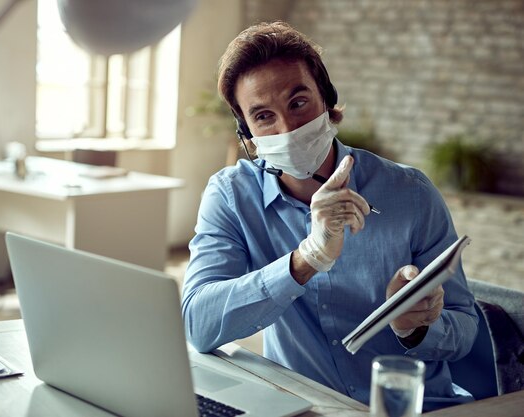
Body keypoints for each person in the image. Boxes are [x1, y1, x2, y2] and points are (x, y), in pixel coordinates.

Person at [181, 21, 479, 411]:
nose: (287, 128)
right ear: (246, 132)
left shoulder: (411, 193)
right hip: (305, 407)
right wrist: (306, 259)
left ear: (327, 98)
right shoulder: (231, 195)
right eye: (264, 116)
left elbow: (466, 332)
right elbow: (199, 326)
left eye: (298, 102)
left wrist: (416, 326)